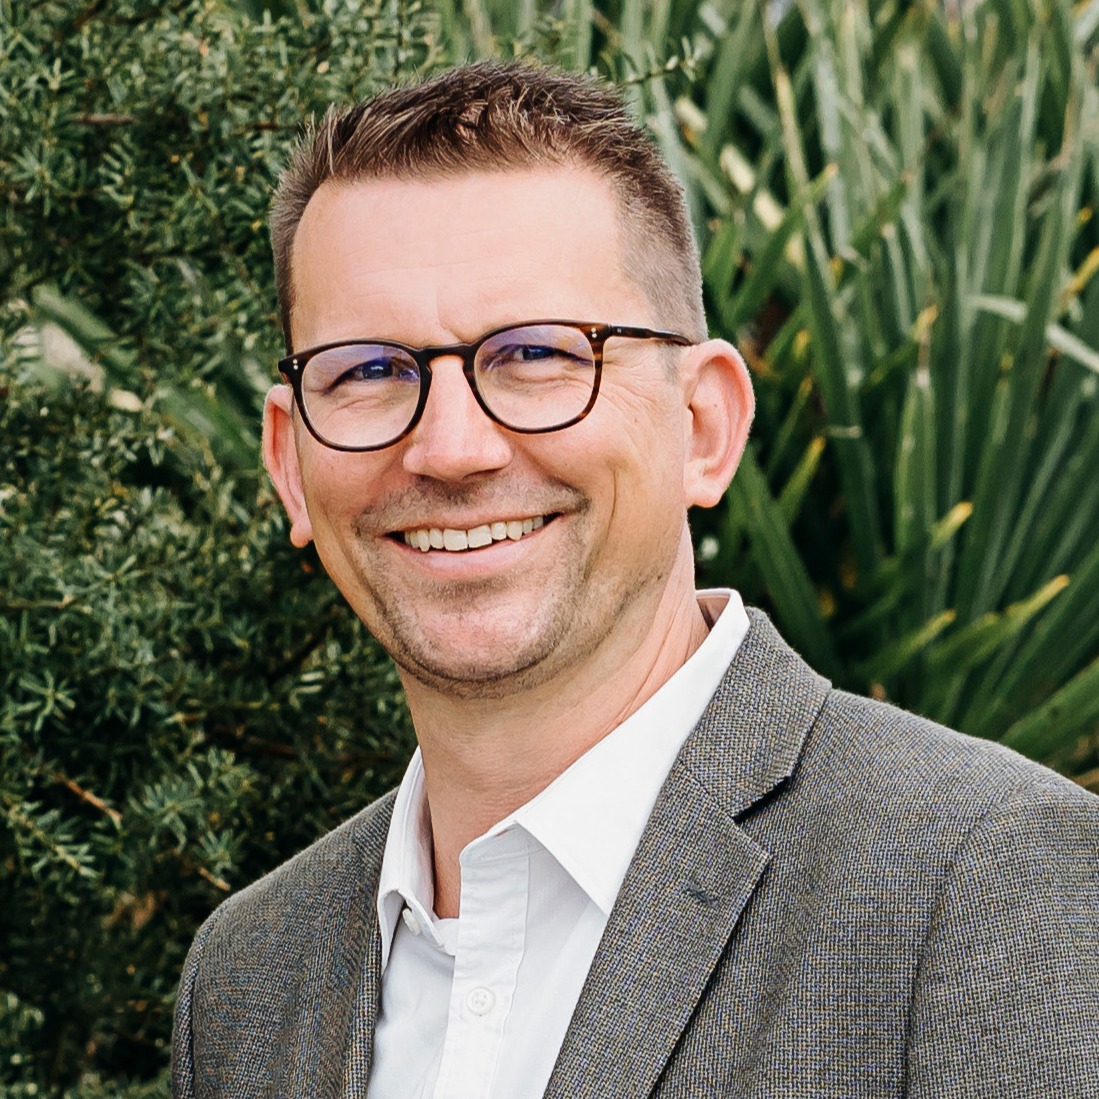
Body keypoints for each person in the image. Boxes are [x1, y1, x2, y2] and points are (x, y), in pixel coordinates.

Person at [171, 61, 1099, 1098]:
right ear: (290, 463)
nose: (451, 448)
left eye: (536, 355)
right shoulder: (246, 981)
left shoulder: (979, 881)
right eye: (370, 370)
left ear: (703, 426)